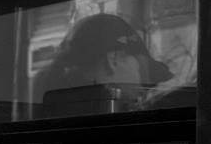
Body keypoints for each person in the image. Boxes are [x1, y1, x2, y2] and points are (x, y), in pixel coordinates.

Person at [37, 12, 172, 97]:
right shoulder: (160, 91)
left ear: (113, 59)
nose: (92, 97)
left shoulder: (168, 100)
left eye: (92, 84)